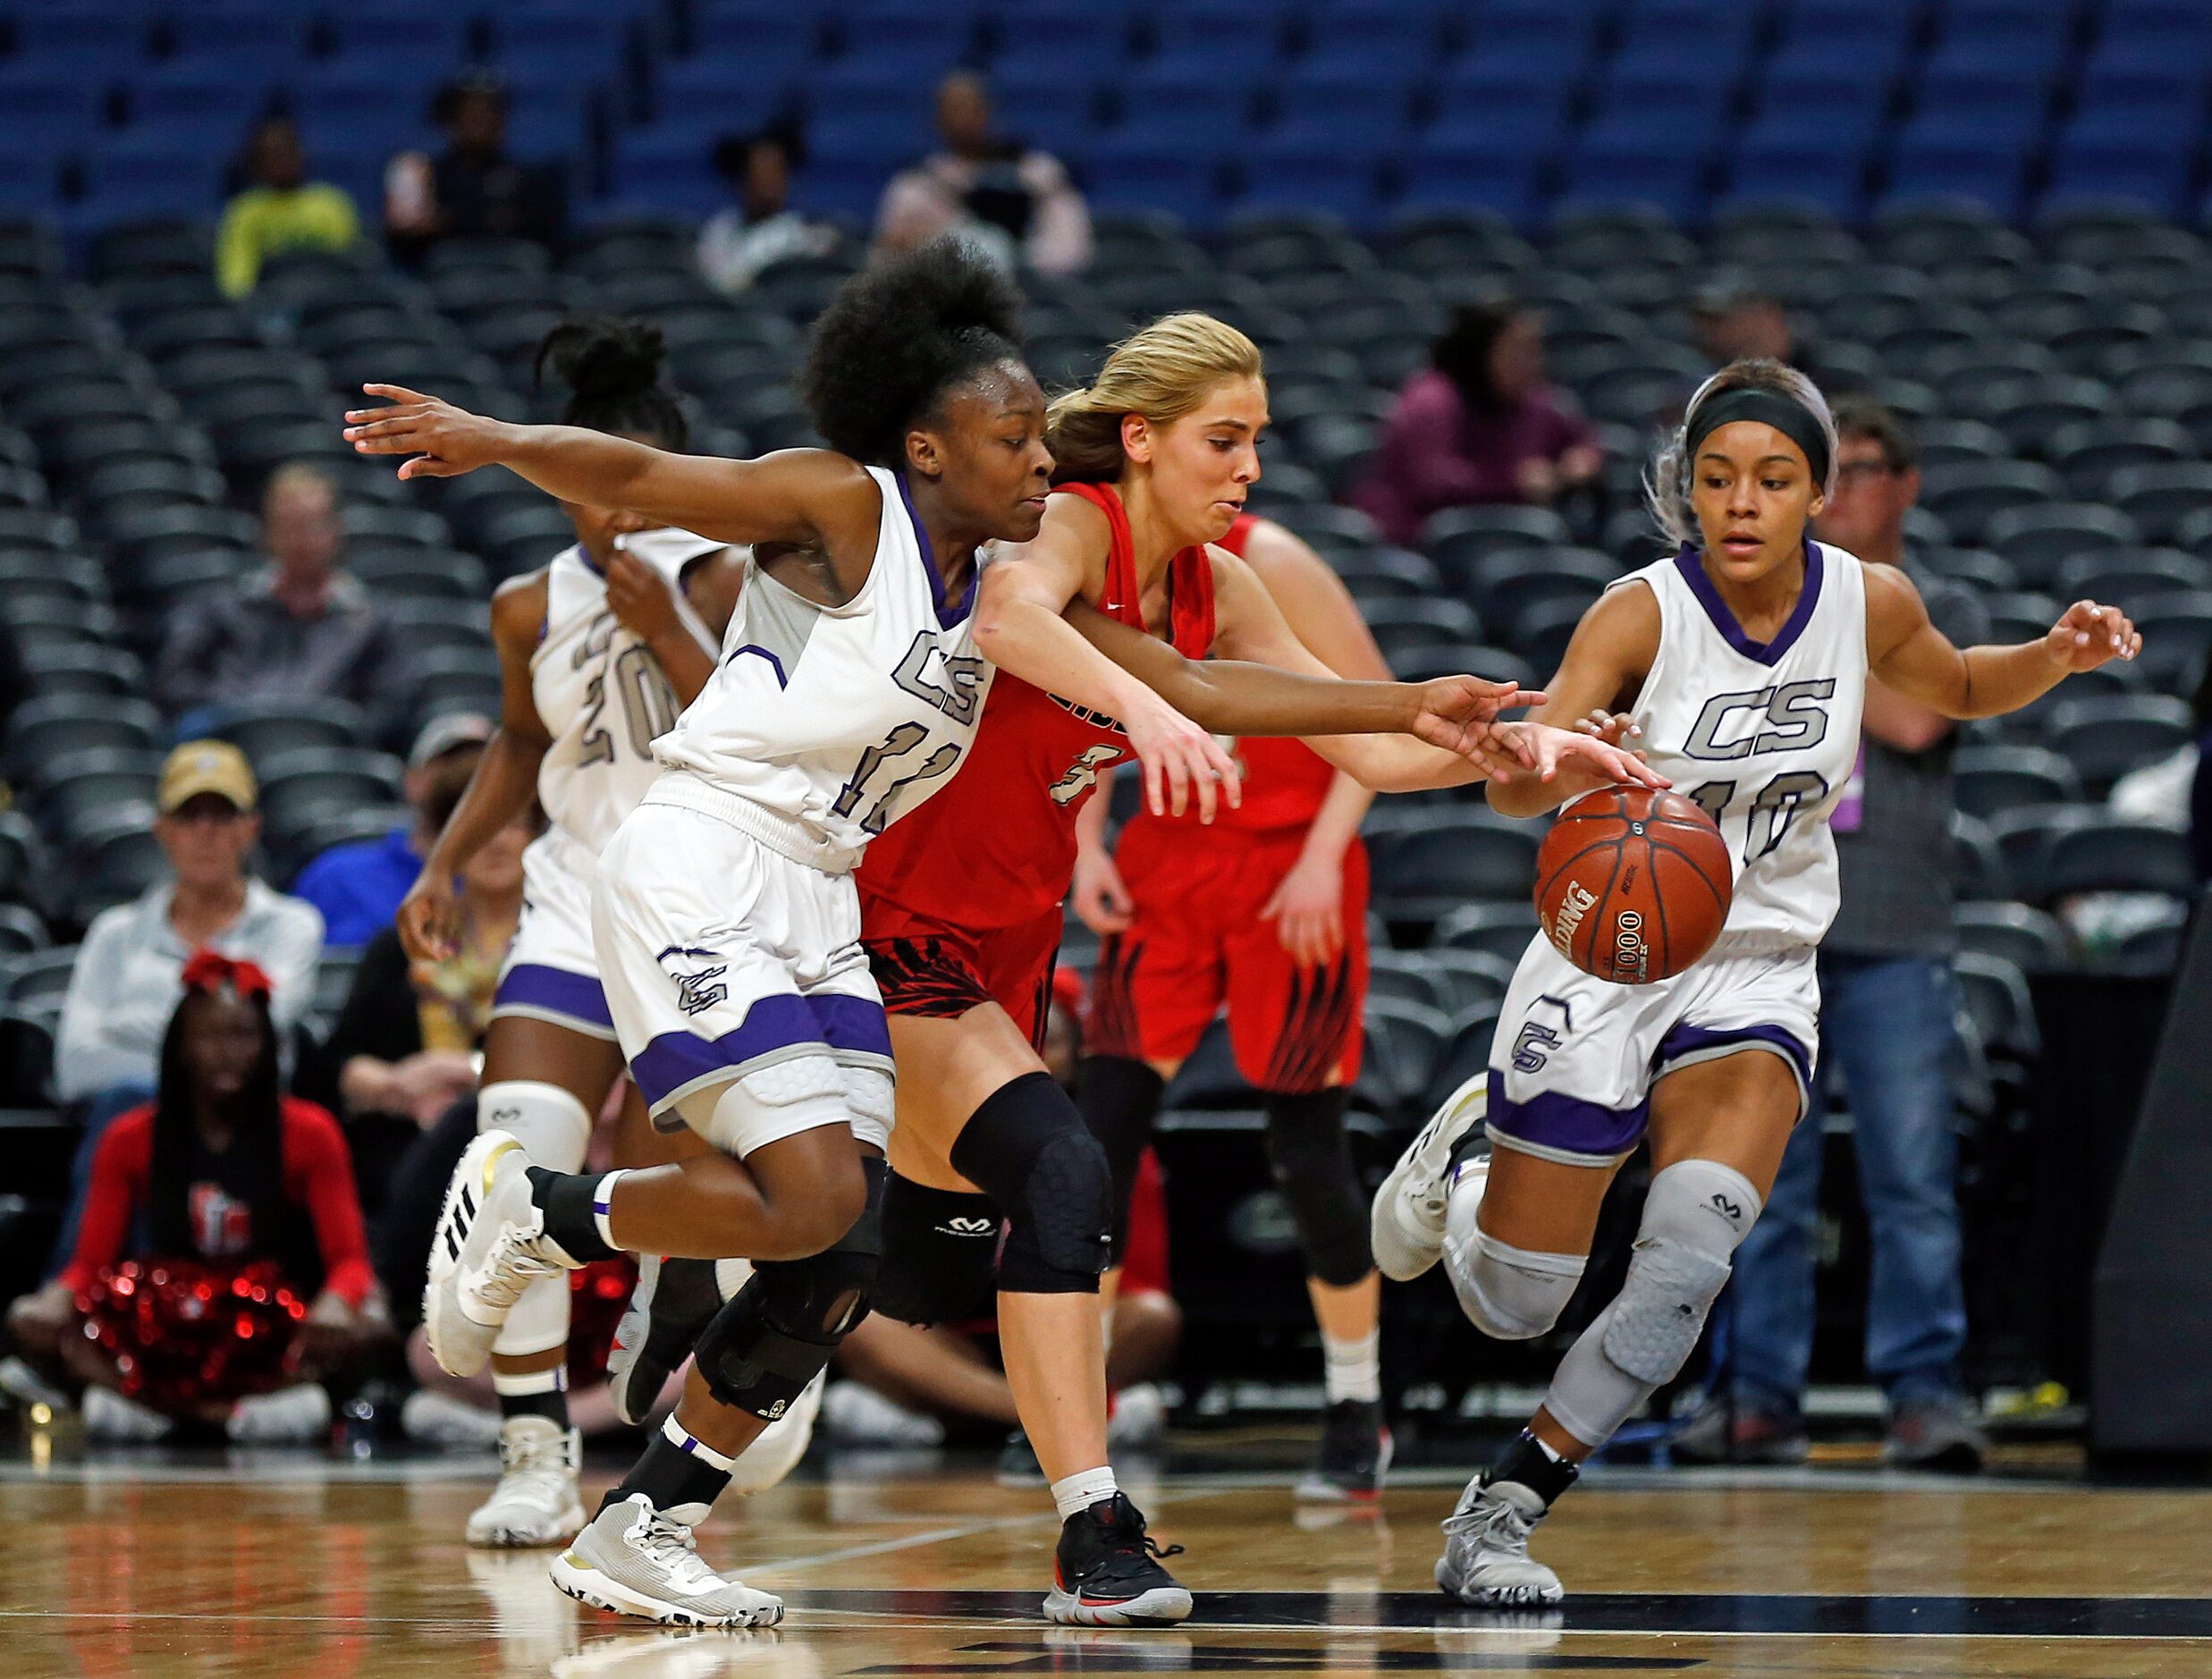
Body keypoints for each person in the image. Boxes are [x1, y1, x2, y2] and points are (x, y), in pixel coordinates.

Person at [347, 245, 1525, 1629]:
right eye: (1009, 436)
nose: (1038, 461)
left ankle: (641, 1518)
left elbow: (1205, 682)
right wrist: (490, 442)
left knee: (841, 1244)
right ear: (927, 443)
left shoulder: (1004, 595)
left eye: (1042, 436)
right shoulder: (842, 505)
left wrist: (1421, 707)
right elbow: (651, 484)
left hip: (820, 895)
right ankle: (539, 1210)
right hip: (703, 850)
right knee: (812, 1196)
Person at [848, 311, 1654, 1620]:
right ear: (1140, 438)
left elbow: (1385, 749)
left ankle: (619, 1237)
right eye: (1223, 441)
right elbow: (1008, 619)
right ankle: (1091, 1531)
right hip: (882, 910)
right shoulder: (1075, 520)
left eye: (1258, 443)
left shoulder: (1223, 583)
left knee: (905, 1270)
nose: (1249, 469)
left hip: (1010, 932)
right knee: (1063, 1170)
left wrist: (1537, 745)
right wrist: (1157, 705)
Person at [1366, 359, 2138, 1606]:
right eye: (1715, 477)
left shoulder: (1864, 599)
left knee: (1680, 1272)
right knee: (1515, 1305)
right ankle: (1463, 1165)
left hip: (1758, 964)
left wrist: (2053, 655)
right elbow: (1516, 781)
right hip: (1606, 955)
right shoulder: (1636, 614)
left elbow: (1954, 684)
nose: (1740, 501)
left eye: (1771, 479)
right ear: (1686, 490)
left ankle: (1498, 1513)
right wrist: (1563, 758)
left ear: (1816, 493)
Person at [386, 316, 749, 1549]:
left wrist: (662, 628)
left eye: (627, 481)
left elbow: (752, 740)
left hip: (698, 911)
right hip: (571, 896)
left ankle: (667, 1296)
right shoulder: (526, 603)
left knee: (673, 1178)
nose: (610, 507)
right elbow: (525, 743)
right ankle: (533, 1446)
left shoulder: (721, 577)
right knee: (520, 1148)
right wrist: (443, 861)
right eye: (583, 481)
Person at [1674, 399, 1993, 1471]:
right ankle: (1753, 1394)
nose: (1843, 489)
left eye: (1861, 470)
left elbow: (1916, 719)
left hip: (1897, 925)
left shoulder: (1927, 601)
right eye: (1830, 470)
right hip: (1766, 927)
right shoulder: (1755, 599)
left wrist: (1803, 638)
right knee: (1757, 1176)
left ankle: (1922, 1393)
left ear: (1901, 485)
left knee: (1909, 1172)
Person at [1068, 508, 1396, 1503]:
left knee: (1305, 1154)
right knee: (1099, 1140)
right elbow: (1084, 706)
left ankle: (1354, 1408)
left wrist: (1318, 860)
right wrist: (1085, 842)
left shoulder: (1271, 560)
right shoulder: (1096, 558)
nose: (1238, 468)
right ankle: (1080, 1410)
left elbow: (1374, 707)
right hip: (1167, 860)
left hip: (1287, 865)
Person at [9, 953, 384, 1443]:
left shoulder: (310, 1131)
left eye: (242, 1036)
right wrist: (53, 1301)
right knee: (26, 1323)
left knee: (372, 1326)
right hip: (168, 1325)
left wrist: (335, 1304)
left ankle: (163, 1415)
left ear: (268, 1046)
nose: (226, 1053)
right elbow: (89, 1264)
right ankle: (239, 1416)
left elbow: (351, 1261)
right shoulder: (130, 1136)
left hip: (277, 1326)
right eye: (209, 1036)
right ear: (181, 1047)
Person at [55, 739, 323, 1151]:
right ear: (162, 830)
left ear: (250, 828)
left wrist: (129, 1026)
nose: (205, 831)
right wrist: (215, 1042)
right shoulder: (114, 932)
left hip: (250, 1134)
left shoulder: (290, 924)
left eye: (222, 813)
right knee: (126, 1107)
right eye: (189, 814)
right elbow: (75, 1067)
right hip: (132, 1136)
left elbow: (269, 1031)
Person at [300, 790, 537, 1218]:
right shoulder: (402, 944)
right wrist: (390, 1083)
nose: (496, 840)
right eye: (480, 824)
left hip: (530, 1139)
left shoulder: (559, 947)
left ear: (539, 839)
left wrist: (464, 1072)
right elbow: (339, 1061)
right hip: (405, 1142)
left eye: (513, 824)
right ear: (450, 841)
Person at [151, 463, 404, 731]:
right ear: (268, 532)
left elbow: (389, 705)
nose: (301, 540)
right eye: (289, 526)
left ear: (336, 530)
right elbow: (175, 681)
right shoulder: (223, 609)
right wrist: (230, 712)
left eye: (312, 525)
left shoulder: (372, 622)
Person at [1351, 301, 1602, 548]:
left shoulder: (1535, 400)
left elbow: (1578, 439)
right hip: (1416, 544)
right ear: (1481, 352)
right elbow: (1431, 482)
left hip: (1508, 541)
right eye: (1518, 352)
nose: (1533, 363)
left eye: (1534, 351)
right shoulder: (1431, 400)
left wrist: (1581, 459)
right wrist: (1511, 482)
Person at [291, 713, 494, 949]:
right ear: (411, 781)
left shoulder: (511, 881)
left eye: (485, 769)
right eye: (449, 765)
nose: (466, 782)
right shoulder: (335, 875)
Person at [874, 72, 1092, 277]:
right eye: (952, 109)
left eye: (971, 108)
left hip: (1035, 295)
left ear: (988, 111)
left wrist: (1017, 259)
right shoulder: (914, 187)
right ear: (937, 119)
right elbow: (883, 259)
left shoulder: (1038, 173)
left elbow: (1073, 250)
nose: (962, 119)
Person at [384, 72, 568, 264]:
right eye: (467, 111)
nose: (478, 120)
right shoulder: (419, 171)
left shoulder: (530, 179)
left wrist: (451, 219)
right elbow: (407, 230)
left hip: (515, 281)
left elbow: (549, 239)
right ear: (449, 119)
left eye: (488, 110)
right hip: (441, 282)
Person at [215, 114, 360, 299]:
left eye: (286, 153)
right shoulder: (246, 211)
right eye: (272, 156)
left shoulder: (332, 205)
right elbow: (236, 283)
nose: (281, 163)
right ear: (258, 164)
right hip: (271, 308)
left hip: (327, 303)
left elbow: (348, 270)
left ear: (300, 155)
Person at [698, 121, 838, 296]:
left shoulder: (805, 234)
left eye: (775, 173)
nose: (768, 184)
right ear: (743, 179)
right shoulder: (720, 229)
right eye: (759, 173)